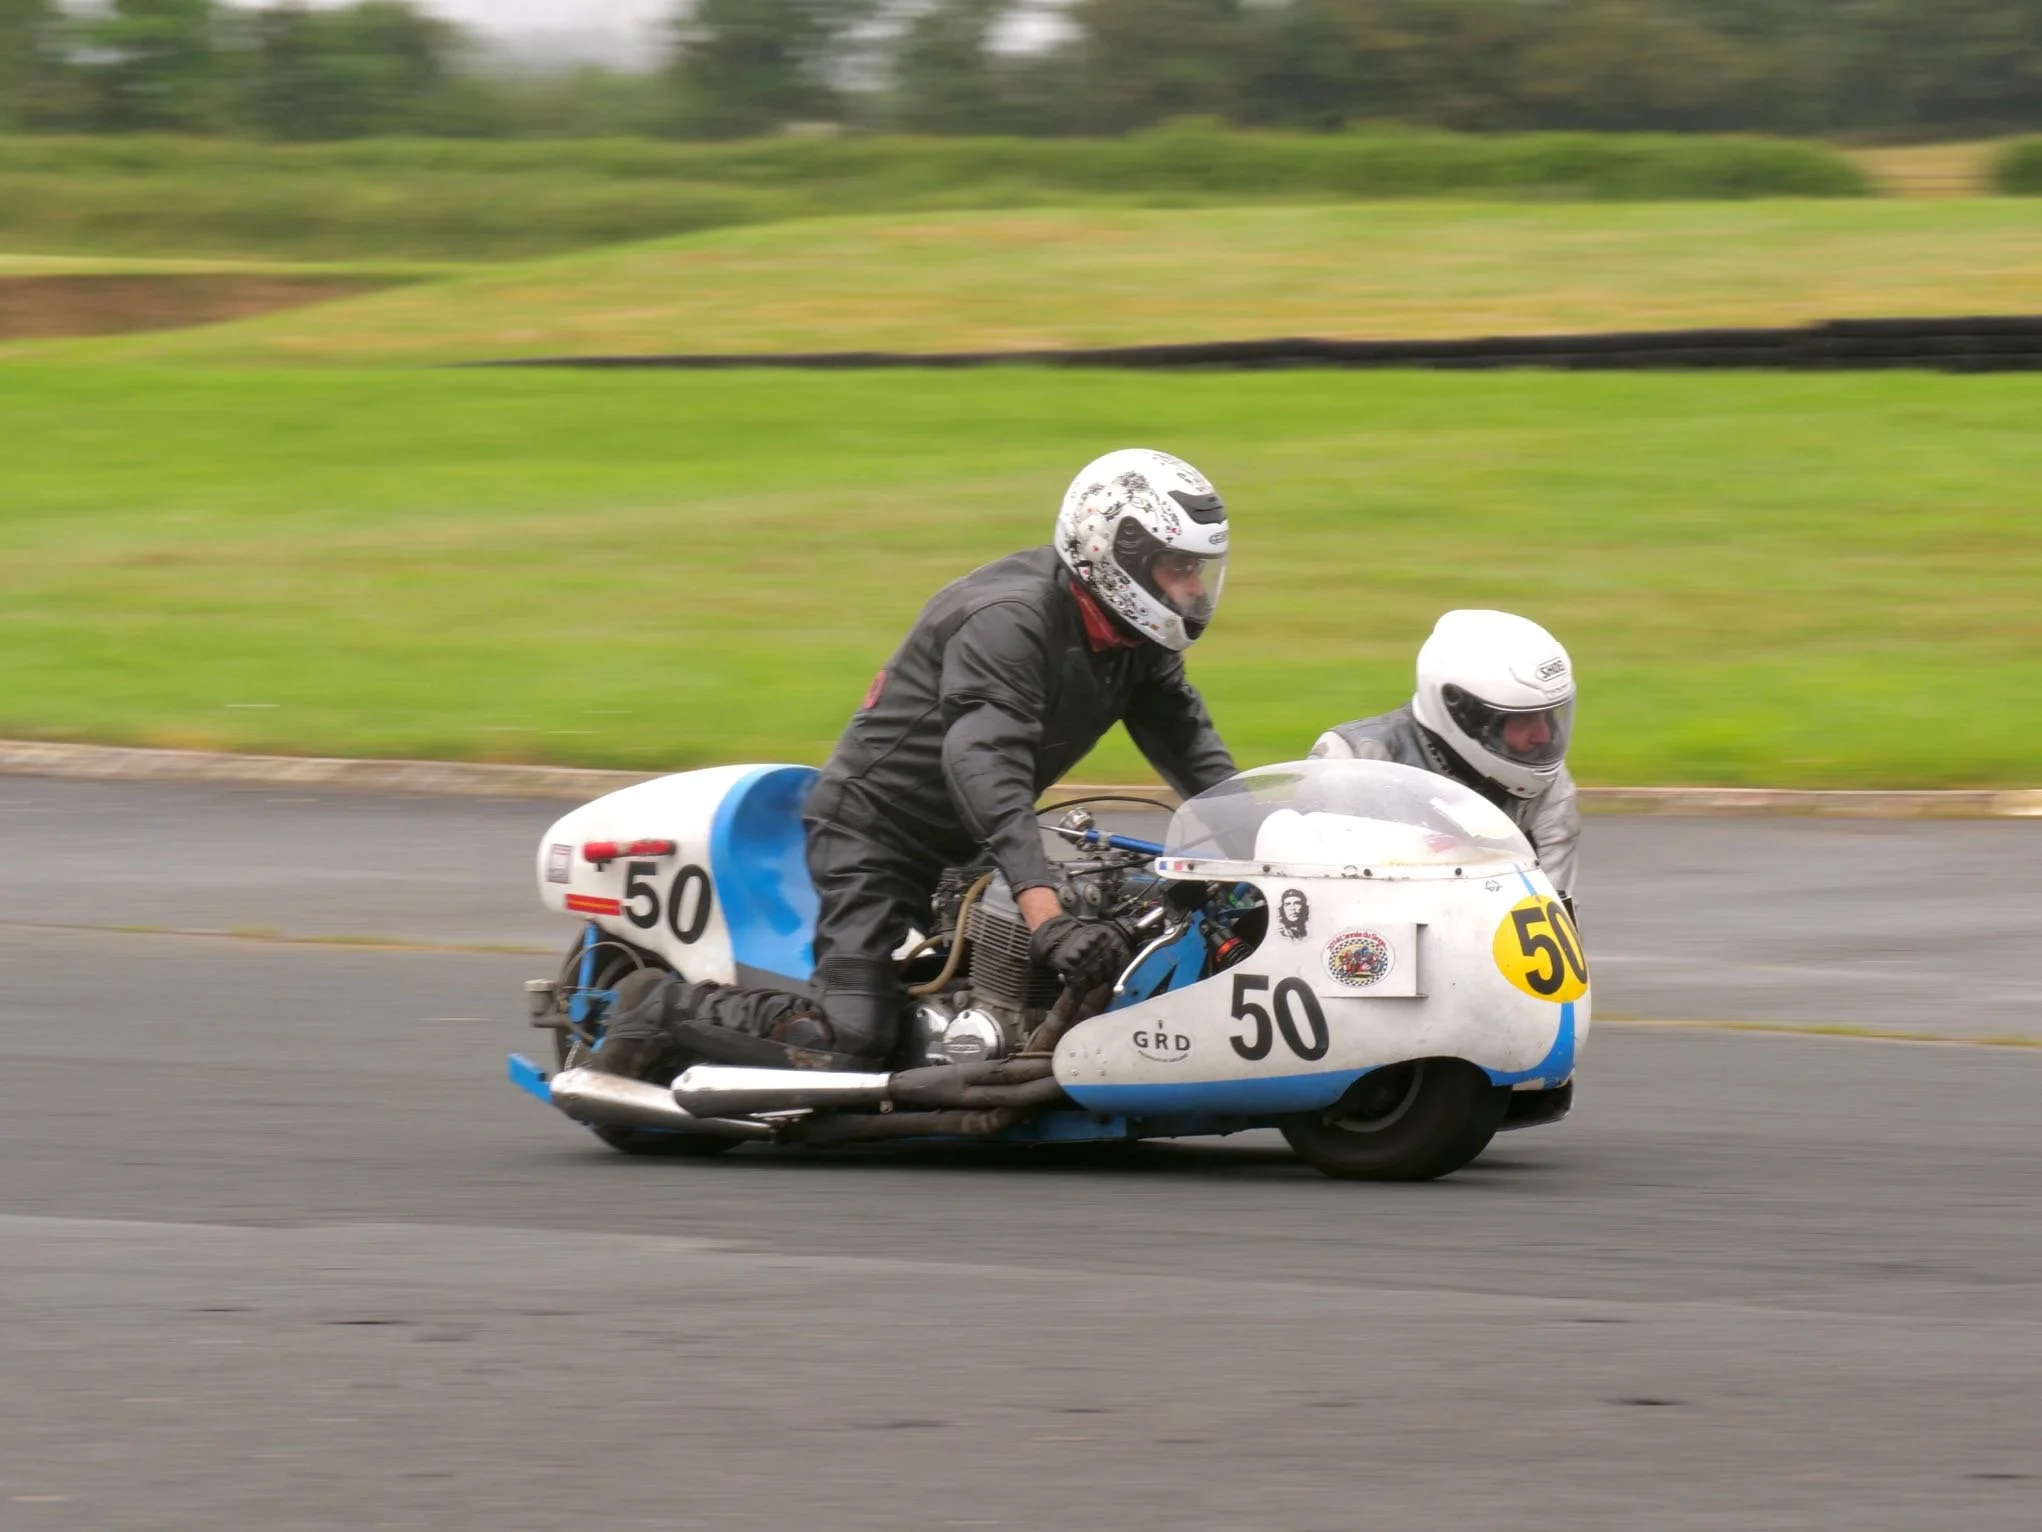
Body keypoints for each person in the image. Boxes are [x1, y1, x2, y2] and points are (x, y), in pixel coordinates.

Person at [595, 448, 1238, 1078]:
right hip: (874, 837)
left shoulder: (1134, 640)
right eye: (1178, 567)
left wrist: (1263, 838)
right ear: (1114, 553)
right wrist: (1046, 918)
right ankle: (654, 1008)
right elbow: (986, 763)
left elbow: (1194, 750)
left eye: (1197, 569)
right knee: (852, 1039)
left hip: (968, 842)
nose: (1191, 588)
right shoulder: (1009, 622)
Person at [1309, 610, 1580, 908]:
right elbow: (1312, 892)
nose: (1543, 736)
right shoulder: (1354, 758)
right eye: (1524, 719)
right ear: (1467, 715)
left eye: (1548, 716)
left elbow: (1552, 914)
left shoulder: (1548, 785)